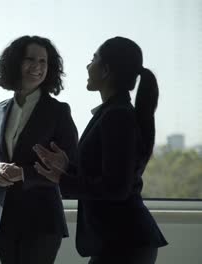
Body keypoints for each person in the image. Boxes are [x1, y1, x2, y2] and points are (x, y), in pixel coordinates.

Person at [33, 36, 168, 264]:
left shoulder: (117, 116)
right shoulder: (113, 112)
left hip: (124, 243)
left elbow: (116, 188)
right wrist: (68, 166)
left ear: (106, 70)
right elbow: (106, 175)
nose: (88, 65)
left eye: (93, 59)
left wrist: (63, 179)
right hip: (118, 241)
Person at [0, 35, 78, 264]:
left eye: (43, 61)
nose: (37, 66)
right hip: (3, 219)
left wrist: (23, 173)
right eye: (30, 59)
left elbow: (71, 168)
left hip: (42, 219)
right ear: (15, 63)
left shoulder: (58, 112)